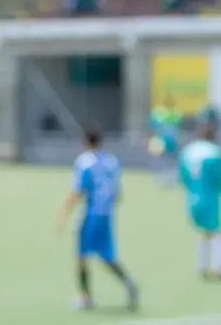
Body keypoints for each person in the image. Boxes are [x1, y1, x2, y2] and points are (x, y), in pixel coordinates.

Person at [55, 128, 139, 311]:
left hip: (90, 214)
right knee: (106, 255)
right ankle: (129, 282)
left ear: (85, 142)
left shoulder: (85, 162)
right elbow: (117, 194)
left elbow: (78, 190)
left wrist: (64, 213)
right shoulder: (111, 161)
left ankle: (85, 297)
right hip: (106, 215)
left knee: (81, 256)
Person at [178, 108, 221, 279]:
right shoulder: (214, 152)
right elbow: (219, 180)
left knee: (205, 232)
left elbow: (181, 177)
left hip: (192, 199)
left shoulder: (188, 151)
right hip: (209, 199)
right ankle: (220, 268)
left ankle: (202, 266)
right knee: (219, 232)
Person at [147, 95, 182, 185]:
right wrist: (149, 138)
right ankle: (159, 177)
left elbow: (178, 127)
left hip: (171, 141)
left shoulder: (175, 113)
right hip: (160, 141)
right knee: (159, 159)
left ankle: (170, 178)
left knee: (171, 159)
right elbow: (151, 127)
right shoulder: (158, 113)